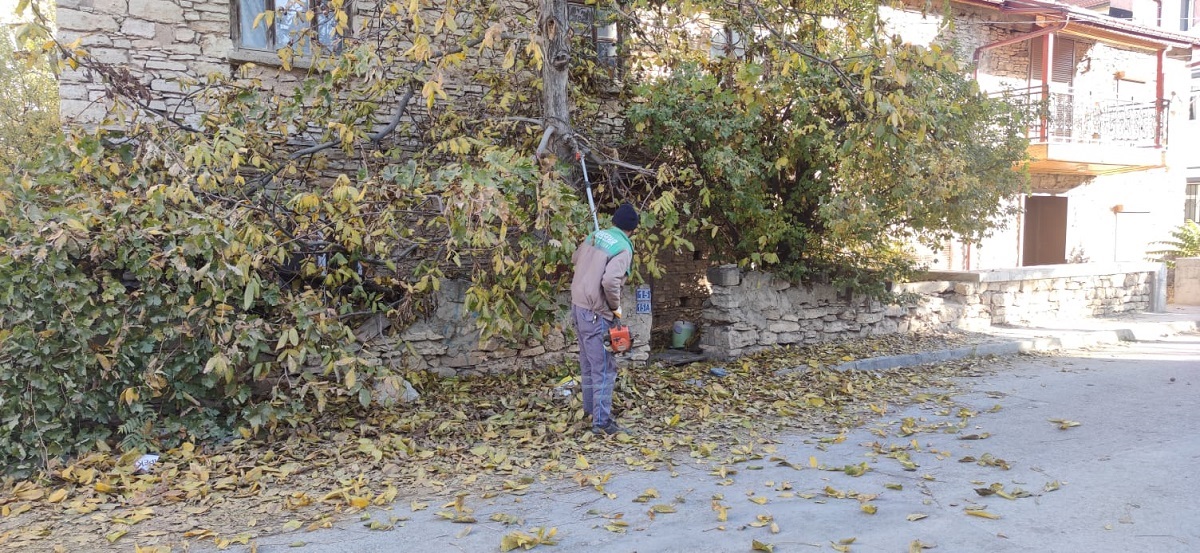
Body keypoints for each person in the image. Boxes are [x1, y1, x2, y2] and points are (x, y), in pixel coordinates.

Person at [570, 202, 638, 436]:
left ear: (614, 222)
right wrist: (615, 307)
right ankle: (601, 422)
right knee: (605, 369)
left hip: (578, 307)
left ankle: (591, 409)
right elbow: (610, 282)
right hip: (596, 312)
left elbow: (574, 258)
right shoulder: (623, 248)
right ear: (633, 229)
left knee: (588, 364)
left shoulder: (595, 235)